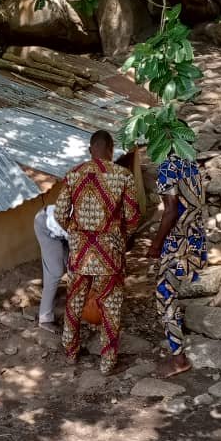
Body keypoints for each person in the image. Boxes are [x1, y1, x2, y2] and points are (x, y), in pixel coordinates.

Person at [54, 130, 141, 375]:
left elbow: (60, 214)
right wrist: (119, 236)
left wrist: (75, 231)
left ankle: (71, 352)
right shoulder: (123, 176)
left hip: (80, 253)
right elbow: (133, 217)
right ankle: (107, 363)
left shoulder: (73, 174)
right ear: (112, 150)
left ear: (90, 149)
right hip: (109, 254)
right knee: (111, 307)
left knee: (74, 301)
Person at [146, 153, 208, 377]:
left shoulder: (167, 168)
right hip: (195, 239)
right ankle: (178, 337)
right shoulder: (191, 166)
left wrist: (156, 244)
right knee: (173, 291)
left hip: (178, 243)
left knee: (164, 295)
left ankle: (179, 357)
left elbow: (171, 210)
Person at [34, 204, 69, 332]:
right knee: (55, 272)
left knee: (73, 264)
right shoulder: (83, 226)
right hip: (45, 224)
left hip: (62, 228)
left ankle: (79, 303)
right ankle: (45, 319)